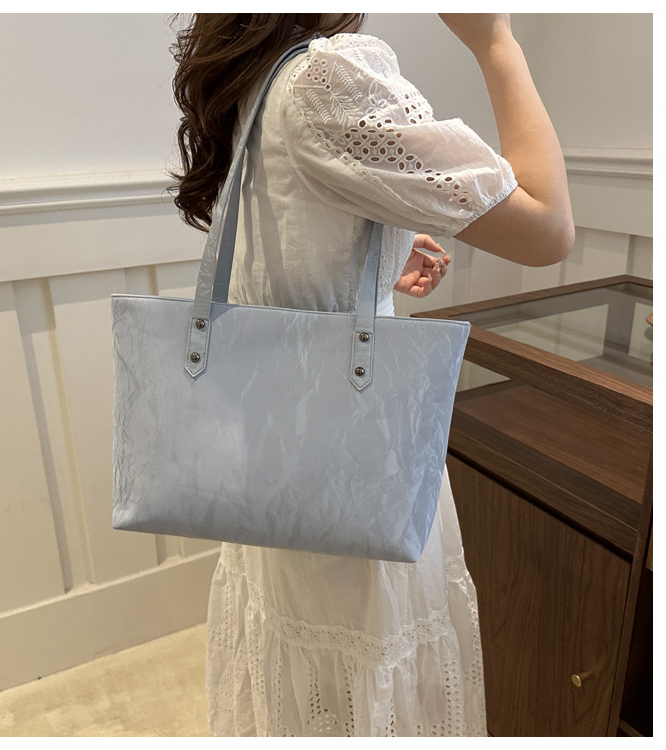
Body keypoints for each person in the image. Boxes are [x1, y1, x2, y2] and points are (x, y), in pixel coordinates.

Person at [169, 13, 574, 737]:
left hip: (273, 452)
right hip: (353, 463)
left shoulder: (252, 72)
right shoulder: (330, 75)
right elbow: (548, 227)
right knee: (365, 653)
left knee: (306, 666)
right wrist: (496, 42)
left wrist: (377, 251)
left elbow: (285, 232)